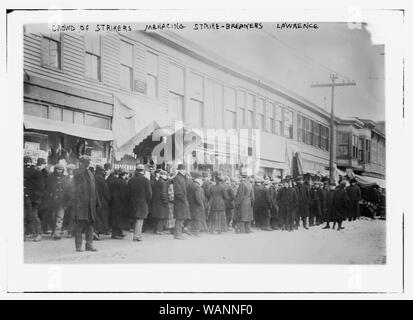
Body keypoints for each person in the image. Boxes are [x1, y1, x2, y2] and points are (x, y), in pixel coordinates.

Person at [72, 156, 100, 252]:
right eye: (86, 162)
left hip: (90, 205)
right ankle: (78, 246)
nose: (88, 163)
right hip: (80, 205)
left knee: (90, 226)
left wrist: (97, 202)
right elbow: (73, 190)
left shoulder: (90, 173)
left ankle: (89, 245)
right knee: (79, 226)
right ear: (81, 162)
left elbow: (94, 189)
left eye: (89, 162)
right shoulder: (77, 173)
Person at [44, 162, 71, 240]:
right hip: (52, 200)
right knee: (52, 216)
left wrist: (67, 199)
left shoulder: (66, 178)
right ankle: (53, 230)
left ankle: (57, 233)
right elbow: (47, 188)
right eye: (58, 169)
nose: (59, 171)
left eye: (61, 170)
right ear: (55, 170)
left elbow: (68, 189)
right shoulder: (51, 177)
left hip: (62, 200)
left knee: (60, 217)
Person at [128, 164, 152, 242]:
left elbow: (128, 191)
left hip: (133, 202)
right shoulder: (145, 180)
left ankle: (136, 234)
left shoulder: (131, 179)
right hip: (142, 202)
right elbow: (149, 194)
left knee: (135, 218)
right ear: (143, 171)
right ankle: (137, 236)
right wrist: (147, 201)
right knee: (140, 218)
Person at [23, 156, 44, 242]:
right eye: (25, 163)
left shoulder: (36, 172)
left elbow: (40, 186)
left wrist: (36, 196)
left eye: (28, 163)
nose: (27, 164)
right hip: (26, 197)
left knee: (34, 216)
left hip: (33, 198)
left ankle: (38, 234)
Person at [109, 169, 129, 239]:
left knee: (116, 218)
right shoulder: (124, 183)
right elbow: (124, 195)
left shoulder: (115, 181)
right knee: (119, 219)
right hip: (121, 203)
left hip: (114, 202)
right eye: (127, 174)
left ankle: (119, 232)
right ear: (124, 175)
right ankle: (115, 234)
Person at [172, 164, 191, 240]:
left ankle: (178, 234)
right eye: (183, 169)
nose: (185, 171)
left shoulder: (182, 178)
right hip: (180, 201)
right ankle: (177, 235)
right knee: (179, 218)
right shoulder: (177, 178)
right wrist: (184, 199)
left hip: (182, 200)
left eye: (185, 169)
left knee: (181, 218)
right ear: (179, 170)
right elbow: (178, 191)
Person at [94, 165, 111, 239]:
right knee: (100, 217)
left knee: (94, 217)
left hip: (93, 200)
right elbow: (106, 191)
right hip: (101, 201)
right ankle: (97, 232)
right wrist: (109, 198)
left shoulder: (92, 177)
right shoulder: (101, 179)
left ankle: (94, 232)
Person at [150, 169, 170, 235]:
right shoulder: (163, 182)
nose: (167, 176)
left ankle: (156, 230)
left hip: (157, 201)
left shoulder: (158, 181)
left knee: (158, 216)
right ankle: (159, 230)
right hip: (161, 202)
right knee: (161, 217)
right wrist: (165, 201)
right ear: (162, 175)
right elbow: (163, 193)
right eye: (166, 175)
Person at [187, 172, 206, 237]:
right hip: (197, 206)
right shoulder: (197, 186)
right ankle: (194, 232)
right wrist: (201, 204)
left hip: (191, 204)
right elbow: (198, 197)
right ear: (198, 179)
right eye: (201, 179)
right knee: (197, 219)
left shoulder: (191, 185)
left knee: (193, 218)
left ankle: (191, 231)